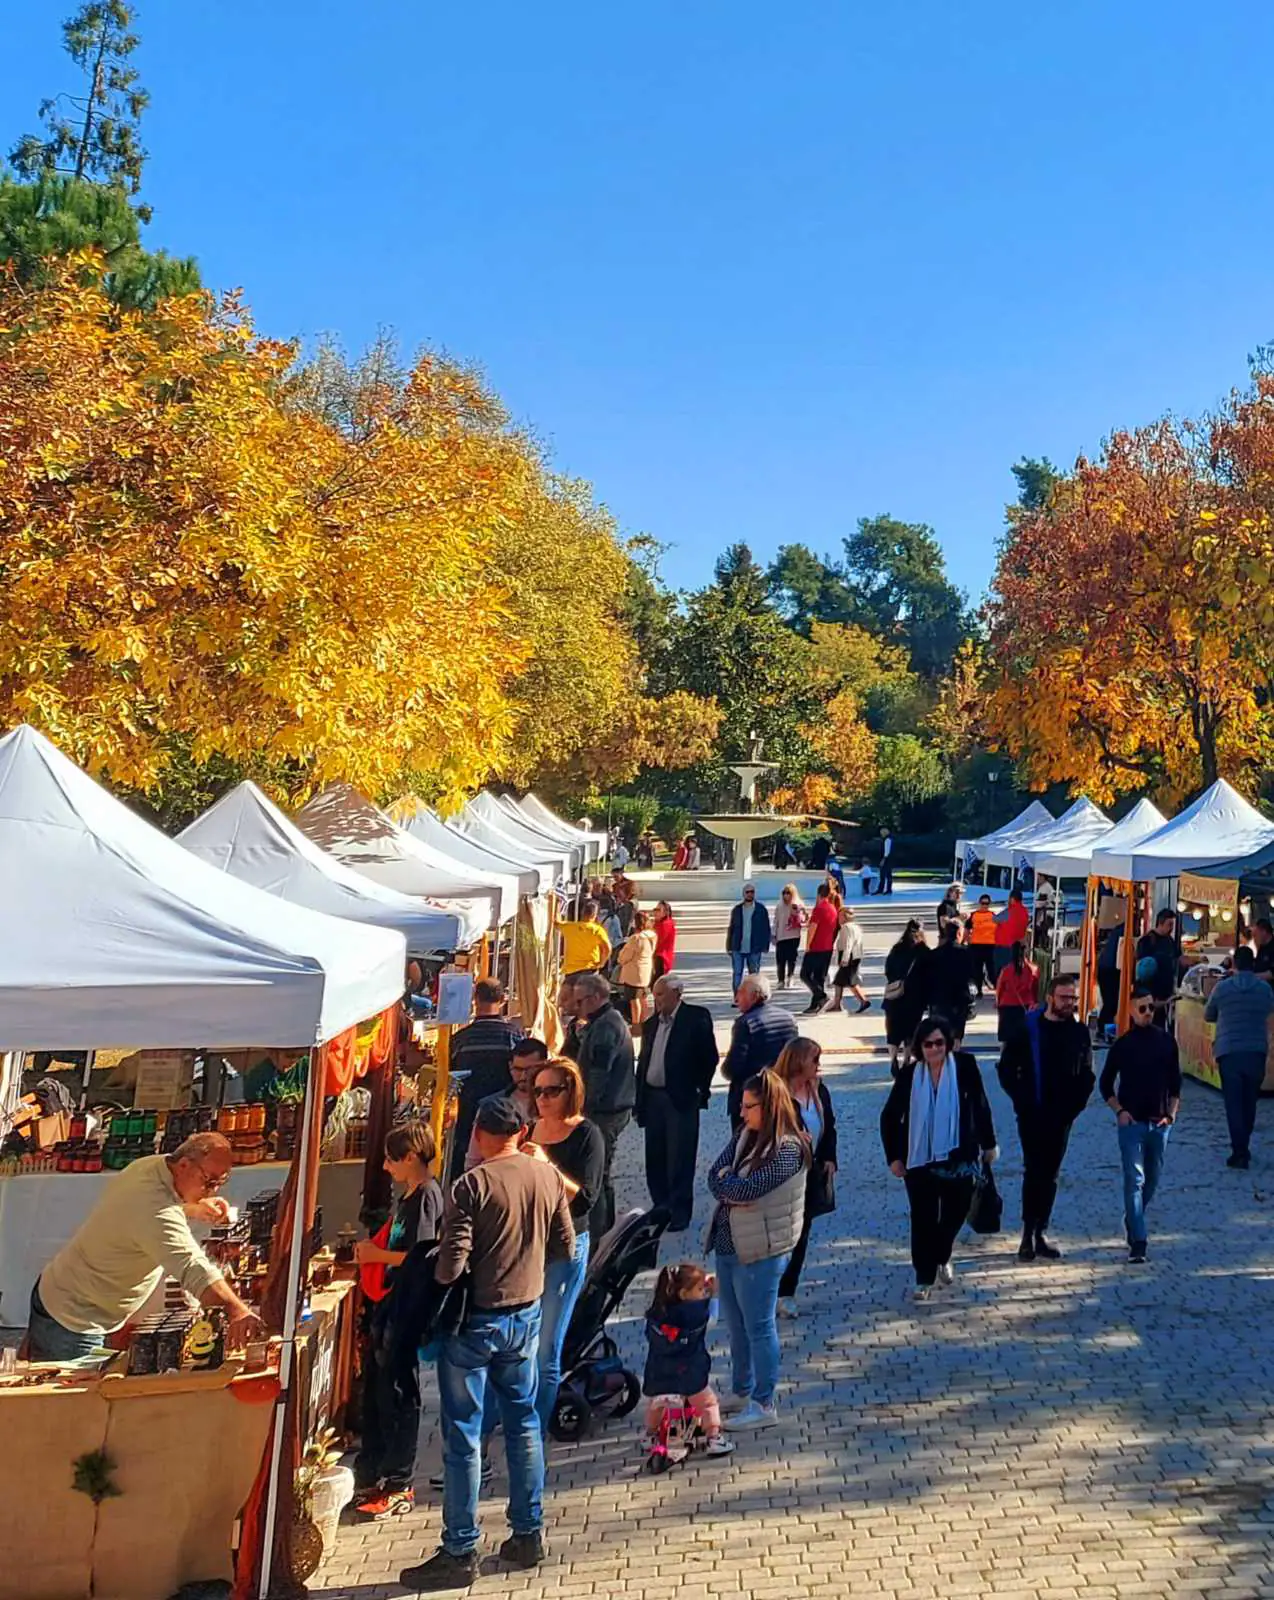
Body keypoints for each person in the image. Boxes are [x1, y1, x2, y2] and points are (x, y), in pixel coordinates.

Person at [401, 1097, 575, 1592]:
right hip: (526, 1315)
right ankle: (528, 1533)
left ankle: (460, 1548)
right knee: (523, 1425)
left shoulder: (471, 1185)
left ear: (478, 1133)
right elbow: (565, 1245)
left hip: (475, 1322)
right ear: (521, 1133)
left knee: (463, 1435)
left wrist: (431, 1278)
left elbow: (452, 1265)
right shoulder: (547, 1177)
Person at [28, 1132, 261, 1361]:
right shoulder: (154, 1210)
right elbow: (193, 1267)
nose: (213, 1191)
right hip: (74, 1319)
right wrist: (236, 1311)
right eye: (208, 1182)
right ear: (183, 1165)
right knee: (74, 1387)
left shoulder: (151, 1166)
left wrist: (192, 1207)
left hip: (71, 1298)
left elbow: (148, 1206)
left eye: (220, 1182)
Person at [706, 1069, 810, 1429]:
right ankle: (742, 1389)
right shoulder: (744, 1134)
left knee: (759, 1327)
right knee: (736, 1327)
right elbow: (714, 1176)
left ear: (770, 1106)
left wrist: (732, 1186)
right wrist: (731, 1186)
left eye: (749, 1106)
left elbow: (749, 1189)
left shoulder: (788, 1149)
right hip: (728, 1243)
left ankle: (764, 1403)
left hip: (761, 1251)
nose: (741, 1112)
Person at [353, 1121, 445, 1519]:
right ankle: (379, 1472)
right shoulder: (410, 1195)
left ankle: (398, 1482)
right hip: (391, 1305)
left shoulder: (425, 1197)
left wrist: (376, 1257)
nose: (386, 1167)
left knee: (399, 1393)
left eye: (391, 1160)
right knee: (381, 1392)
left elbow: (421, 1255)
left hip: (406, 1306)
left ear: (410, 1157)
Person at [880, 1014, 997, 1302]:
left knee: (956, 1211)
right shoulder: (909, 1075)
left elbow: (980, 1105)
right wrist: (894, 1157)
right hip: (919, 1158)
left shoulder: (965, 1066)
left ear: (948, 1043)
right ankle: (924, 1277)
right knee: (923, 1219)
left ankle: (942, 1253)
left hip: (959, 1155)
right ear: (919, 1047)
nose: (934, 1049)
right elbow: (890, 1116)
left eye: (939, 1043)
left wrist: (989, 1144)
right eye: (928, 1044)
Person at [524, 1058, 604, 1430]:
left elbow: (586, 1199)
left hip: (565, 1247)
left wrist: (547, 1166)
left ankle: (535, 1432)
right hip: (528, 1246)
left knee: (546, 1348)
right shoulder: (530, 1130)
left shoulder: (587, 1135)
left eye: (551, 1091)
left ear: (570, 1091)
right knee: (521, 1342)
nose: (542, 1098)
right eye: (537, 1091)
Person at [996, 973, 1095, 1262]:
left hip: (1062, 1117)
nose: (1069, 1003)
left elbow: (1087, 1074)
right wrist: (1021, 1100)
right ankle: (1027, 1232)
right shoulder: (1028, 1029)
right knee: (1033, 1170)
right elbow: (1006, 1068)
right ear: (1050, 997)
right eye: (1064, 997)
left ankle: (1041, 1231)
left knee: (1051, 1174)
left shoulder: (1079, 1033)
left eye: (1073, 998)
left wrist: (1074, 1107)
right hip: (1032, 1114)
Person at [1099, 987, 1182, 1262]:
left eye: (1150, 1007)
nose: (1148, 1013)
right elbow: (1105, 1084)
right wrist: (1119, 1111)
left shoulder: (1167, 1042)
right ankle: (1139, 1240)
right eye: (1142, 1008)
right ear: (1132, 1011)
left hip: (1159, 1123)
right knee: (1134, 1180)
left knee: (1152, 1180)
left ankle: (1132, 1218)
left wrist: (1171, 1116)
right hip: (1132, 1123)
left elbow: (1176, 1084)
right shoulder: (1123, 1045)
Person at [636, 975, 718, 1230]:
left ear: (677, 993)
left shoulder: (696, 1018)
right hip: (653, 1097)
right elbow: (644, 1060)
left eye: (661, 994)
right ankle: (660, 1207)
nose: (656, 1000)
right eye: (655, 995)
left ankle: (680, 1210)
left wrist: (699, 1088)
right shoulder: (651, 1024)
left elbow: (709, 1057)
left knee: (680, 1156)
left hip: (680, 1098)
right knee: (655, 1156)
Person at [642, 1263, 735, 1457]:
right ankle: (714, 1439)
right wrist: (713, 1295)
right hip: (688, 1375)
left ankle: (649, 1435)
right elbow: (712, 1318)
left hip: (659, 1375)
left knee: (656, 1404)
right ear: (684, 1294)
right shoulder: (695, 1313)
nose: (703, 1293)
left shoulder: (658, 1312)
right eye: (700, 1290)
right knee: (709, 1403)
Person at [773, 1038, 837, 1317]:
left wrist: (830, 1157)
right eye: (814, 1059)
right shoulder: (776, 1092)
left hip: (811, 1174)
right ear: (798, 1061)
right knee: (781, 1235)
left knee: (801, 1234)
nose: (818, 1065)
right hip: (781, 1176)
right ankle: (769, 1288)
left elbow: (830, 1125)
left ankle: (786, 1292)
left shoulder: (818, 1089)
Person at [572, 970, 636, 1241]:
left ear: (596, 997)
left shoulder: (606, 1026)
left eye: (580, 1001)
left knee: (597, 1174)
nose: (577, 1007)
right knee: (602, 1172)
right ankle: (605, 1231)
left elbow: (599, 1073)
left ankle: (600, 1235)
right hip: (610, 1107)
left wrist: (581, 1109)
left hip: (606, 1111)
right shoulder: (603, 1022)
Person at [1205, 945, 1274, 1169]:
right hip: (1256, 1050)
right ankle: (1243, 1145)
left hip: (1229, 1050)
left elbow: (1209, 1014)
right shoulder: (1264, 989)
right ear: (1253, 964)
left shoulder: (1222, 988)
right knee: (1249, 1101)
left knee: (1233, 1103)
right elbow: (1269, 1010)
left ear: (1234, 964)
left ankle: (1239, 1150)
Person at [448, 978, 524, 1179]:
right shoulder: (514, 1036)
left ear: (475, 999)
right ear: (503, 1000)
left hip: (468, 1114)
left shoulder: (460, 1039)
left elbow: (451, 1074)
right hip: (504, 1114)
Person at [721, 973, 799, 1125]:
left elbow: (734, 1065)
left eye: (741, 993)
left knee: (746, 1138)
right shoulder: (788, 1018)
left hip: (752, 1094)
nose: (736, 998)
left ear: (755, 996)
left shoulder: (745, 1023)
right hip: (782, 1091)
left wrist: (725, 1071)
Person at [919, 919, 975, 1045]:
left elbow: (926, 977)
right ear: (959, 933)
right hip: (959, 1000)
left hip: (938, 999)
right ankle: (955, 1053)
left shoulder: (934, 954)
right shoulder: (966, 953)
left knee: (939, 1032)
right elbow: (972, 976)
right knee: (957, 1035)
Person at [884, 921, 928, 1074]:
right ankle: (906, 1060)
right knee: (911, 1030)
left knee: (893, 1030)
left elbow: (888, 969)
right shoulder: (923, 951)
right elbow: (929, 974)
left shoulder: (897, 948)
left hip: (894, 995)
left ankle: (893, 1059)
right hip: (915, 997)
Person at [800, 882, 840, 1015]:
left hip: (816, 947)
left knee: (805, 974)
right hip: (827, 948)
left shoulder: (819, 908)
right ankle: (816, 1004)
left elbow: (812, 928)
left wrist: (807, 945)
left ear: (818, 894)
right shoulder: (833, 908)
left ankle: (822, 996)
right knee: (819, 977)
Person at [1136, 909, 1180, 1026]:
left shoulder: (1170, 942)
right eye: (1169, 924)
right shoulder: (1147, 941)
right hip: (1151, 992)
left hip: (1165, 993)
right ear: (1160, 923)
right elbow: (1142, 967)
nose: (1171, 928)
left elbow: (1178, 957)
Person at [726, 883, 772, 991]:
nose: (750, 894)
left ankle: (753, 997)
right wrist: (729, 946)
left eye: (752, 892)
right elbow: (731, 928)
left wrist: (765, 945)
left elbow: (766, 928)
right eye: (748, 892)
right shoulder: (737, 910)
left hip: (754, 948)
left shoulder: (761, 909)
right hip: (738, 947)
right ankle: (737, 997)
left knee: (754, 975)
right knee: (737, 973)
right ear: (743, 894)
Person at [616, 908, 657, 1025]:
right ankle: (644, 1022)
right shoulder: (652, 936)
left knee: (634, 1001)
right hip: (646, 970)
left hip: (634, 972)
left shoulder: (636, 938)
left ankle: (636, 1025)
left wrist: (620, 959)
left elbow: (625, 956)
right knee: (643, 999)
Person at [828, 904, 869, 1014]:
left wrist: (845, 959)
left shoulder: (846, 928)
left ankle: (863, 1001)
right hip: (856, 956)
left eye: (840, 916)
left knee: (849, 981)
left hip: (849, 956)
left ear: (845, 917)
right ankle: (837, 1004)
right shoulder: (856, 927)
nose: (839, 919)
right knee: (842, 981)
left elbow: (848, 944)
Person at [995, 941, 1039, 1043]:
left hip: (1007, 1006)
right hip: (1026, 1006)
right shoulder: (1033, 969)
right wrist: (1035, 1002)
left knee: (1007, 1040)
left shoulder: (1006, 970)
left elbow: (1000, 989)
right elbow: (1035, 990)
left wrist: (998, 1003)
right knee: (1025, 1039)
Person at [559, 900, 612, 977]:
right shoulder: (597, 930)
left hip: (571, 972)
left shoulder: (569, 927)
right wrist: (602, 963)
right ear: (594, 915)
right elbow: (608, 948)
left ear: (582, 913)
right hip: (589, 970)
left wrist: (557, 904)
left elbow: (555, 922)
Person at [772, 884, 807, 990]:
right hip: (781, 936)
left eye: (788, 893)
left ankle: (790, 977)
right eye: (784, 893)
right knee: (780, 959)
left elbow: (804, 919)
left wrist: (798, 913)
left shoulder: (798, 904)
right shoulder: (779, 906)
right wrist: (773, 934)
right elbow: (776, 921)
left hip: (794, 935)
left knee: (792, 958)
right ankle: (780, 980)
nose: (786, 895)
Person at [994, 886, 1031, 975]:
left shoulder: (1009, 911)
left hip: (1004, 945)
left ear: (1012, 899)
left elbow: (995, 919)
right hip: (1017, 944)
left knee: (1002, 972)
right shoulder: (1025, 911)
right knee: (1014, 971)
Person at [968, 894, 999, 997]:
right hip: (976, 945)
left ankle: (997, 989)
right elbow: (967, 928)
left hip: (989, 946)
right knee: (977, 969)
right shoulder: (973, 915)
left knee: (991, 969)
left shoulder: (993, 915)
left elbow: (999, 929)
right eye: (983, 903)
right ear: (979, 903)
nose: (985, 905)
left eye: (987, 903)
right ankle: (979, 990)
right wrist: (966, 940)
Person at [1096, 923, 1124, 1032]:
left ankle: (1104, 1028)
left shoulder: (1118, 930)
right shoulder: (1124, 931)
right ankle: (1104, 1029)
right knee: (1111, 1002)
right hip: (1111, 969)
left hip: (1106, 968)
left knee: (1110, 1002)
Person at [652, 900, 677, 979]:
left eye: (658, 910)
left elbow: (658, 941)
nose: (655, 912)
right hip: (658, 957)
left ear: (665, 913)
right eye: (655, 909)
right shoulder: (658, 923)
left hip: (661, 958)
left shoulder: (665, 924)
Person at [876, 828, 894, 895]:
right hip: (889, 859)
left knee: (883, 874)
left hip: (886, 859)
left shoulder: (887, 840)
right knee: (887, 875)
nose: (881, 834)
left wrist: (883, 859)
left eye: (882, 833)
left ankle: (882, 889)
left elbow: (887, 851)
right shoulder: (889, 839)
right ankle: (887, 889)